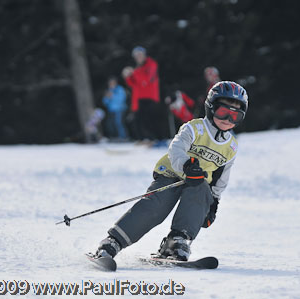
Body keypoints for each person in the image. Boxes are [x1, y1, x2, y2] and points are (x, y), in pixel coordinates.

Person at [91, 81, 249, 261]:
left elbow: (221, 178)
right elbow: (176, 149)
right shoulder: (195, 128)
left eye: (235, 116)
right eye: (223, 112)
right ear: (211, 108)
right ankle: (113, 242)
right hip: (171, 174)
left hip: (197, 182)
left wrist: (213, 203)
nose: (228, 120)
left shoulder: (231, 146)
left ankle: (176, 241)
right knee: (155, 207)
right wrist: (186, 165)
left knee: (201, 191)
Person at [122, 46, 161, 141]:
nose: (138, 57)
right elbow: (133, 84)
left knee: (148, 120)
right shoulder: (138, 68)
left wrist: (133, 72)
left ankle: (152, 139)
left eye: (140, 55)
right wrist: (127, 76)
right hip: (139, 98)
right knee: (138, 120)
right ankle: (142, 139)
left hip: (149, 97)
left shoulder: (151, 64)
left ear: (144, 55)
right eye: (136, 56)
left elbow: (146, 80)